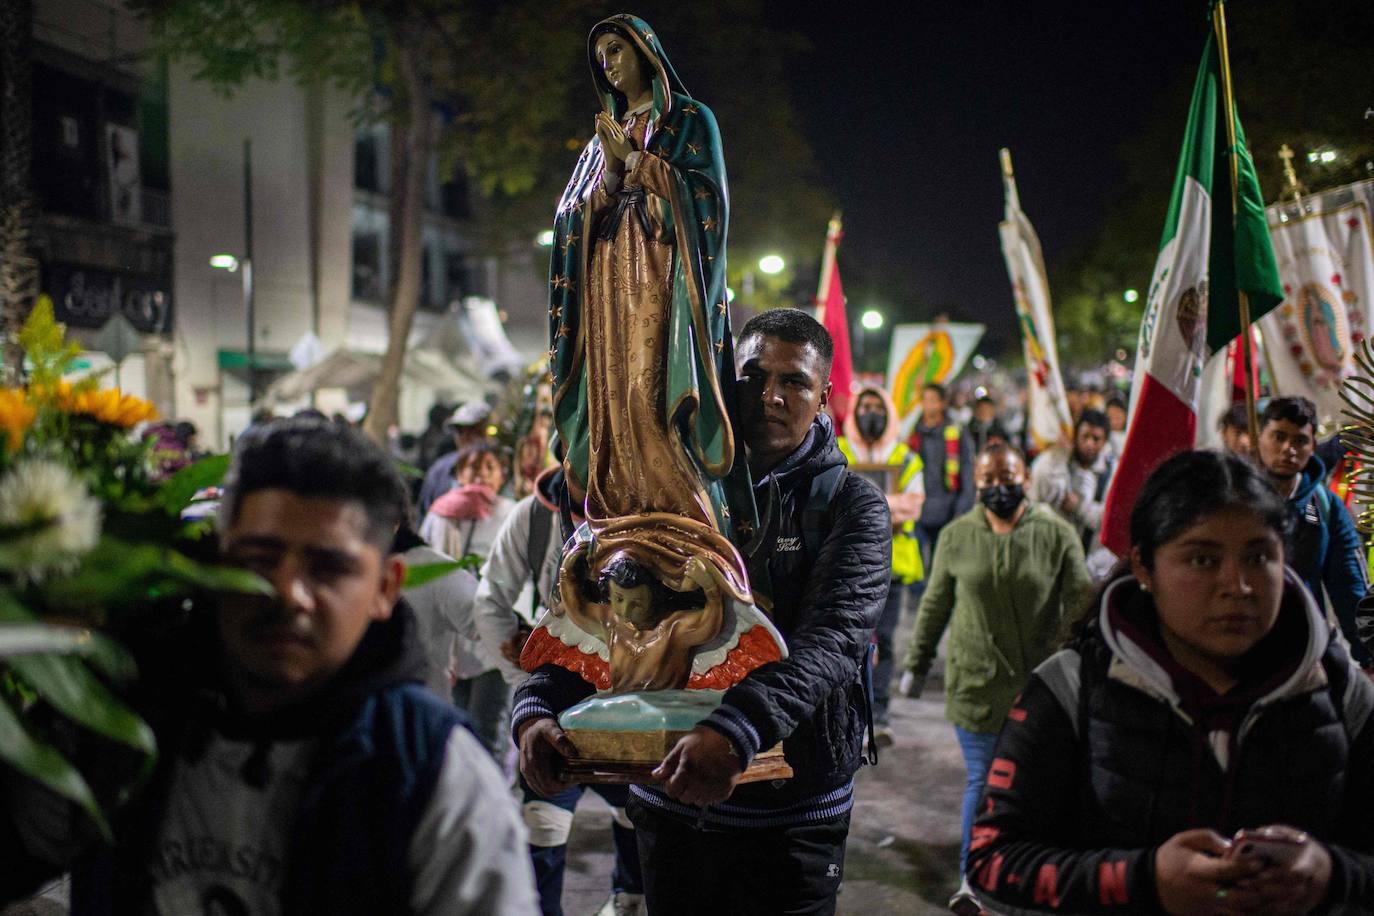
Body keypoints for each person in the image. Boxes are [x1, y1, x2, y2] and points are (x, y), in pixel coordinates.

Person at [52, 417, 535, 913]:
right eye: (260, 558)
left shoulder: (435, 773)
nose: (289, 594)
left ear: (386, 589)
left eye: (328, 568)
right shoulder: (124, 724)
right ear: (217, 559)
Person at [516, 309, 890, 915]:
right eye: (752, 375)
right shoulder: (665, 496)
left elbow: (834, 642)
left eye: (793, 381)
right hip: (669, 807)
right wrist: (536, 709)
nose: (770, 394)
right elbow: (598, 616)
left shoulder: (852, 505)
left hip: (793, 813)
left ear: (823, 396)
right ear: (722, 382)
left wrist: (736, 731)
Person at [968, 449, 1374, 914]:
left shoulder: (1345, 694)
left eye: (1259, 556)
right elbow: (991, 860)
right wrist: (1141, 880)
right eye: (1203, 559)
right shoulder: (1070, 688)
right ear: (1144, 567)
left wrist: (1332, 875)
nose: (1237, 585)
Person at [545, 13, 756, 624]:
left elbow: (707, 203)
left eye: (616, 49)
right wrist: (608, 174)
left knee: (650, 393)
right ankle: (623, 513)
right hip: (609, 288)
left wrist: (639, 164)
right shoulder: (597, 140)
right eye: (600, 55)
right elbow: (568, 224)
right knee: (613, 398)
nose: (608, 62)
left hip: (663, 290)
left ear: (645, 52)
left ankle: (679, 514)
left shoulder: (690, 121)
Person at [900, 441, 1091, 914]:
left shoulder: (1057, 534)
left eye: (1007, 478)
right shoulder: (956, 536)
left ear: (1025, 479)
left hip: (1039, 689)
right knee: (985, 782)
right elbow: (936, 605)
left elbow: (1082, 606)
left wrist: (1090, 669)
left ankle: (1028, 873)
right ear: (976, 484)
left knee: (1034, 786)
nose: (998, 489)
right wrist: (917, 664)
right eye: (988, 481)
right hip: (976, 687)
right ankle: (974, 879)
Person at [474, 465, 646, 916]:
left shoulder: (647, 512)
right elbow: (490, 599)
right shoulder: (532, 518)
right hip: (557, 708)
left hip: (628, 709)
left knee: (637, 820)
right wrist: (527, 691)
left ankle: (627, 899)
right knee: (544, 828)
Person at [1256, 396, 1374, 669]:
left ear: (1313, 446)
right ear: (1260, 438)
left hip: (1305, 657)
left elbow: (1349, 586)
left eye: (1300, 440)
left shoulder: (1323, 506)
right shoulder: (1233, 501)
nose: (1288, 449)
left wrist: (1368, 656)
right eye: (1278, 437)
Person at [419, 440, 520, 756]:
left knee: (488, 724)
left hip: (495, 638)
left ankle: (492, 797)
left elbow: (520, 571)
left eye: (489, 467)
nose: (480, 474)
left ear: (501, 475)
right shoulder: (439, 515)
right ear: (460, 473)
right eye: (473, 467)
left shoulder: (510, 515)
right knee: (458, 726)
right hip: (452, 639)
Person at [838, 385, 925, 746]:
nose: (871, 411)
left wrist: (860, 509)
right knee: (847, 642)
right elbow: (829, 497)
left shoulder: (905, 457)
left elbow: (912, 506)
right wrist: (886, 508)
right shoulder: (839, 450)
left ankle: (881, 713)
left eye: (878, 406)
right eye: (865, 405)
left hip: (893, 566)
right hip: (845, 564)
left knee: (885, 641)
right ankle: (847, 712)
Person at [1028, 408, 1117, 580]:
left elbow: (1110, 521)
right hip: (1051, 564)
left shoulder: (1112, 473)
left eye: (1096, 439)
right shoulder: (1055, 464)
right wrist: (1057, 454)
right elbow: (1036, 499)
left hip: (1091, 569)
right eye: (1085, 436)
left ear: (1105, 441)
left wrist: (1080, 507)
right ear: (1075, 435)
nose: (1089, 443)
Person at [905, 382, 976, 576]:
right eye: (925, 400)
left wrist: (962, 509)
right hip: (917, 512)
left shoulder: (957, 433)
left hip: (948, 511)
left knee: (943, 571)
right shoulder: (911, 434)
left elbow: (968, 473)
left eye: (933, 401)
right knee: (916, 573)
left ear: (943, 403)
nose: (929, 406)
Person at [415, 401, 493, 521]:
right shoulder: (440, 470)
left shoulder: (499, 467)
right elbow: (424, 512)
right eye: (460, 430)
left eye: (473, 430)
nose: (466, 437)